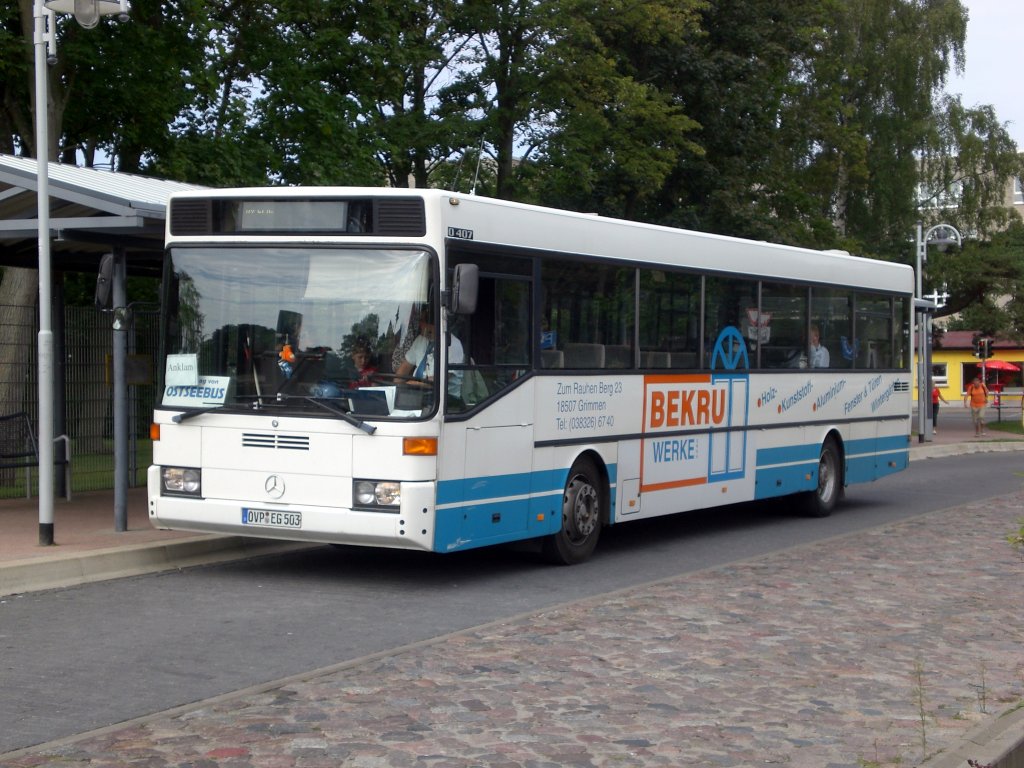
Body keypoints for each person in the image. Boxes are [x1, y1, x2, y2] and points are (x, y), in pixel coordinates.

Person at [395, 309, 464, 396]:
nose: (421, 329)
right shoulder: (421, 339)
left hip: (446, 400)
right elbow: (405, 367)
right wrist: (396, 387)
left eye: (425, 327)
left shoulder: (453, 345)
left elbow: (439, 381)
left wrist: (414, 384)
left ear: (436, 325)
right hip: (417, 395)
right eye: (421, 325)